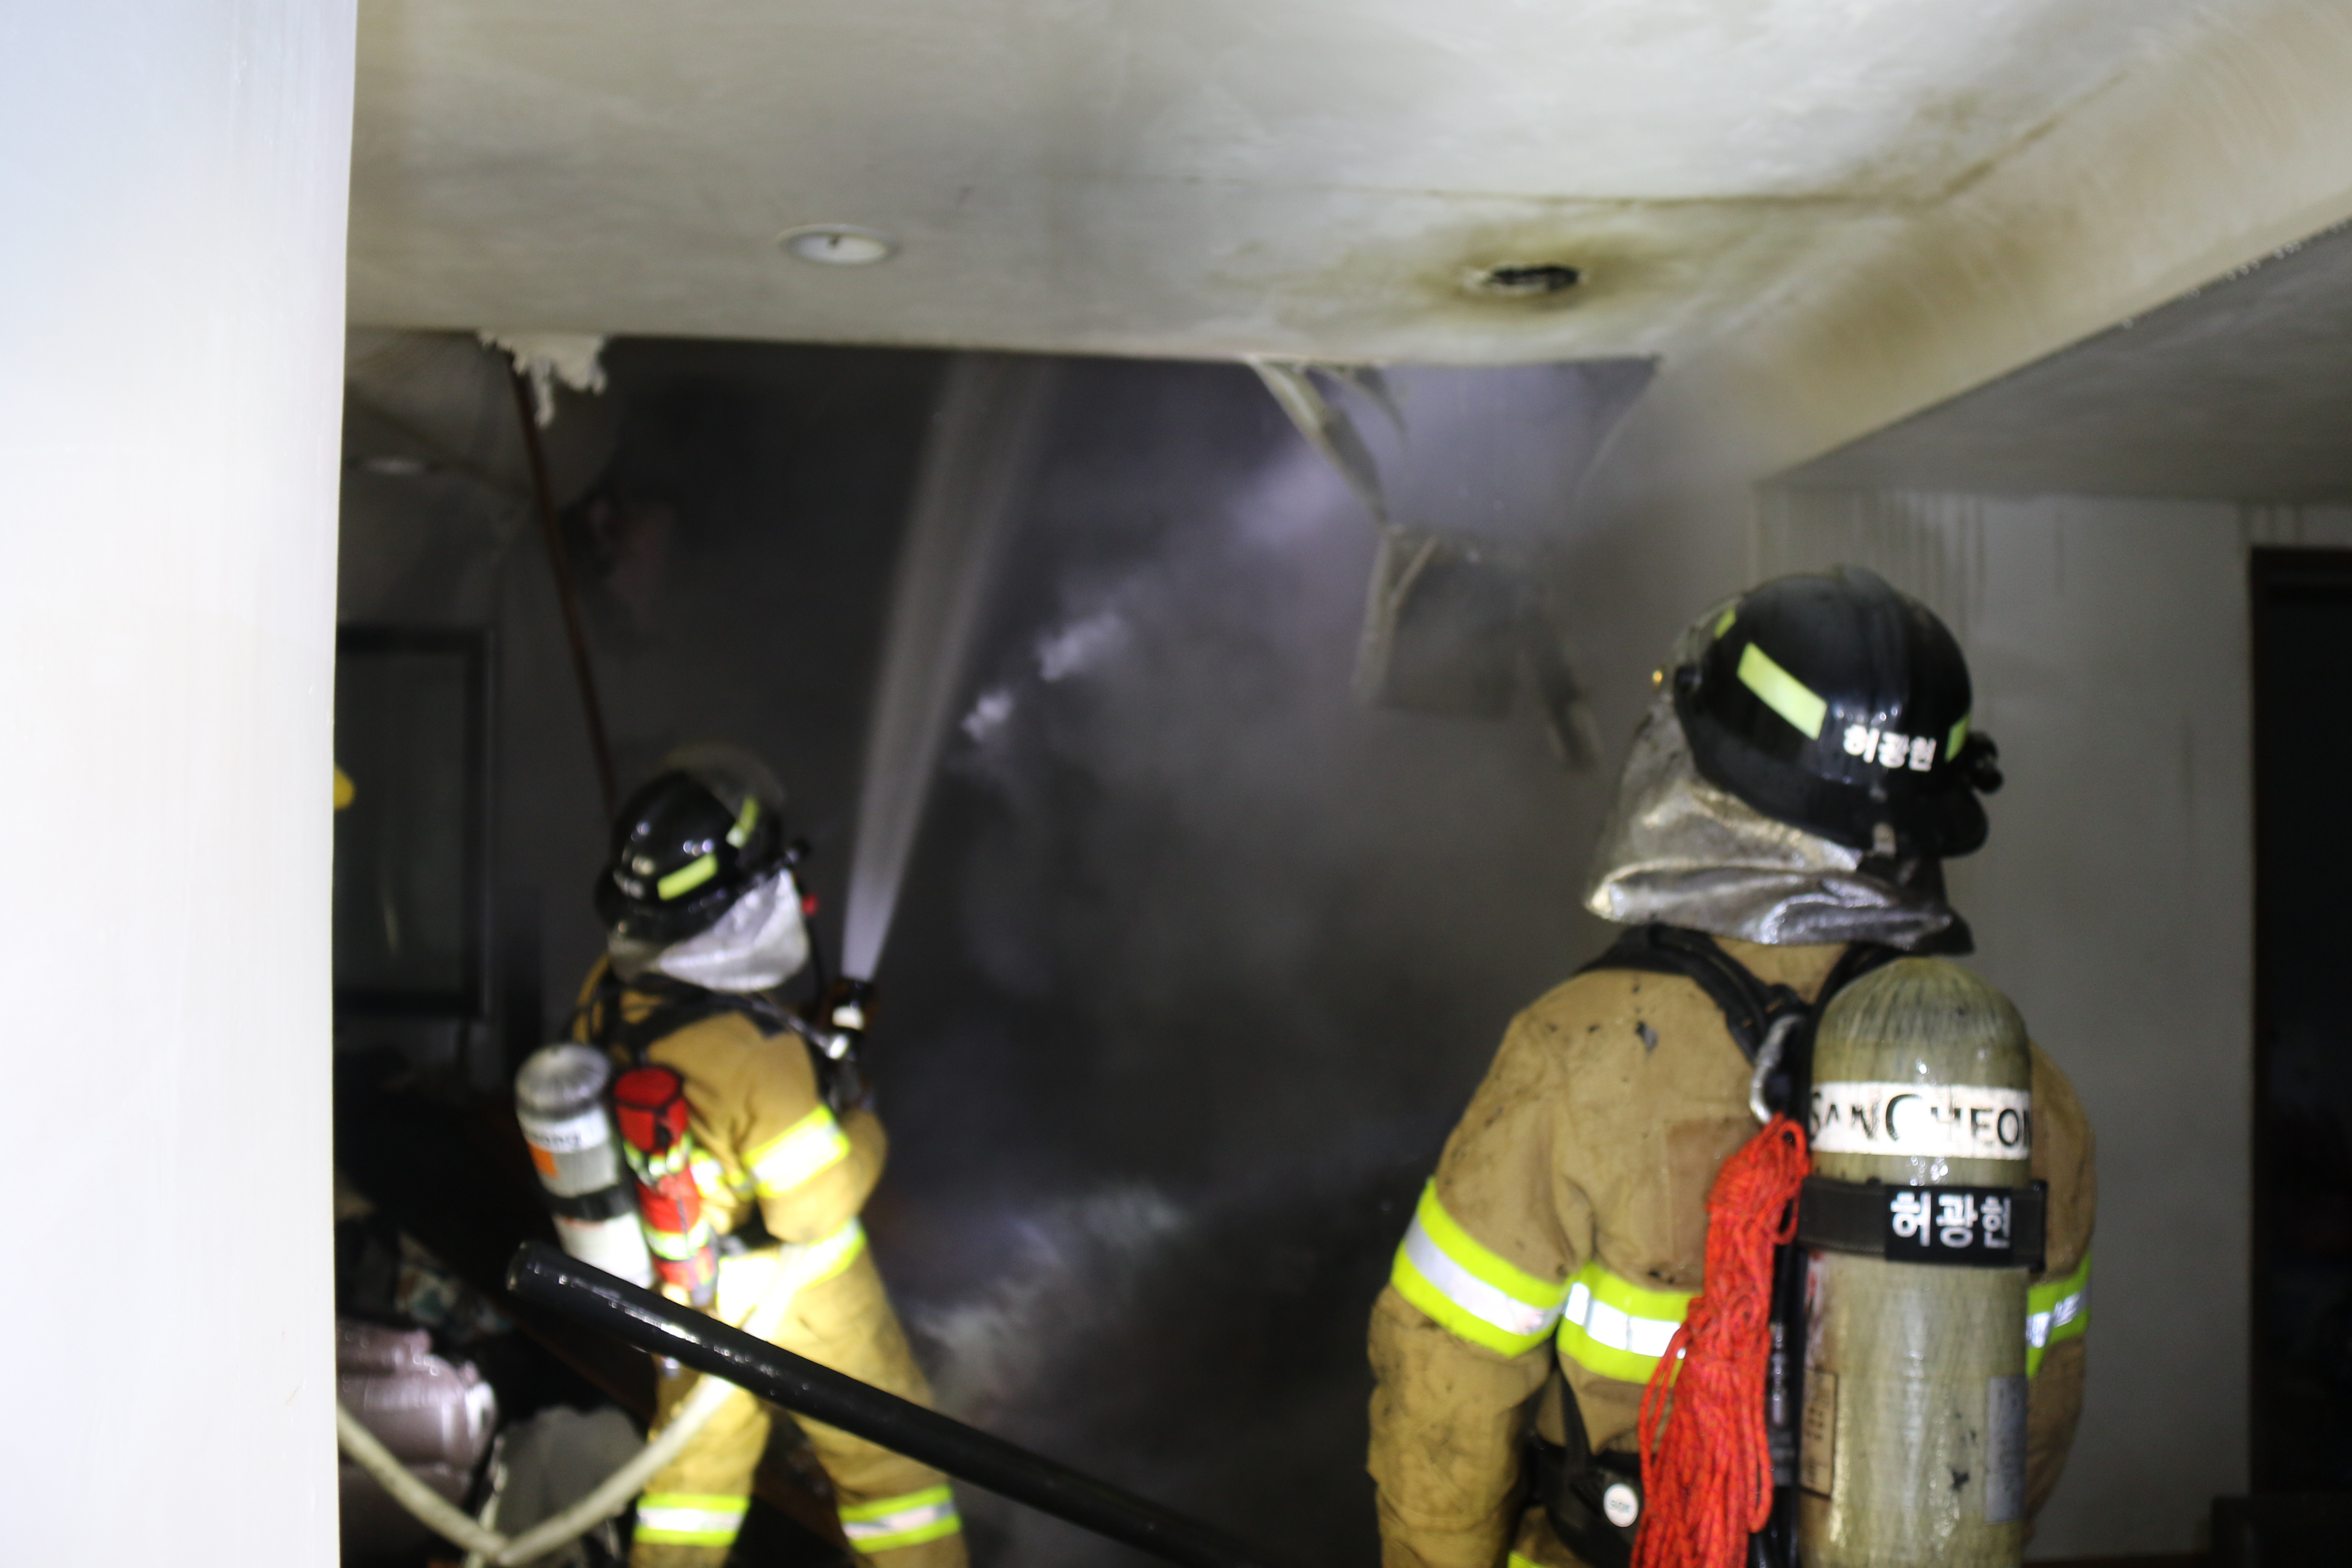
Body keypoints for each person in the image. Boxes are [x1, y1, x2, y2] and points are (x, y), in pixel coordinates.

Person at [1366, 568, 2095, 1568]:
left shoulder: (1578, 1048)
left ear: (1704, 768)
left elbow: (1445, 1379)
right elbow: (2029, 1420)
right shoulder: (2023, 1088)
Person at [575, 744, 965, 1568]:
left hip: (686, 1287)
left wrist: (805, 1036)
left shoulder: (607, 992)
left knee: (693, 1480)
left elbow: (707, 1068)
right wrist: (863, 1124)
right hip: (797, 1288)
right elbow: (811, 1207)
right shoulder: (758, 1058)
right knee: (893, 1466)